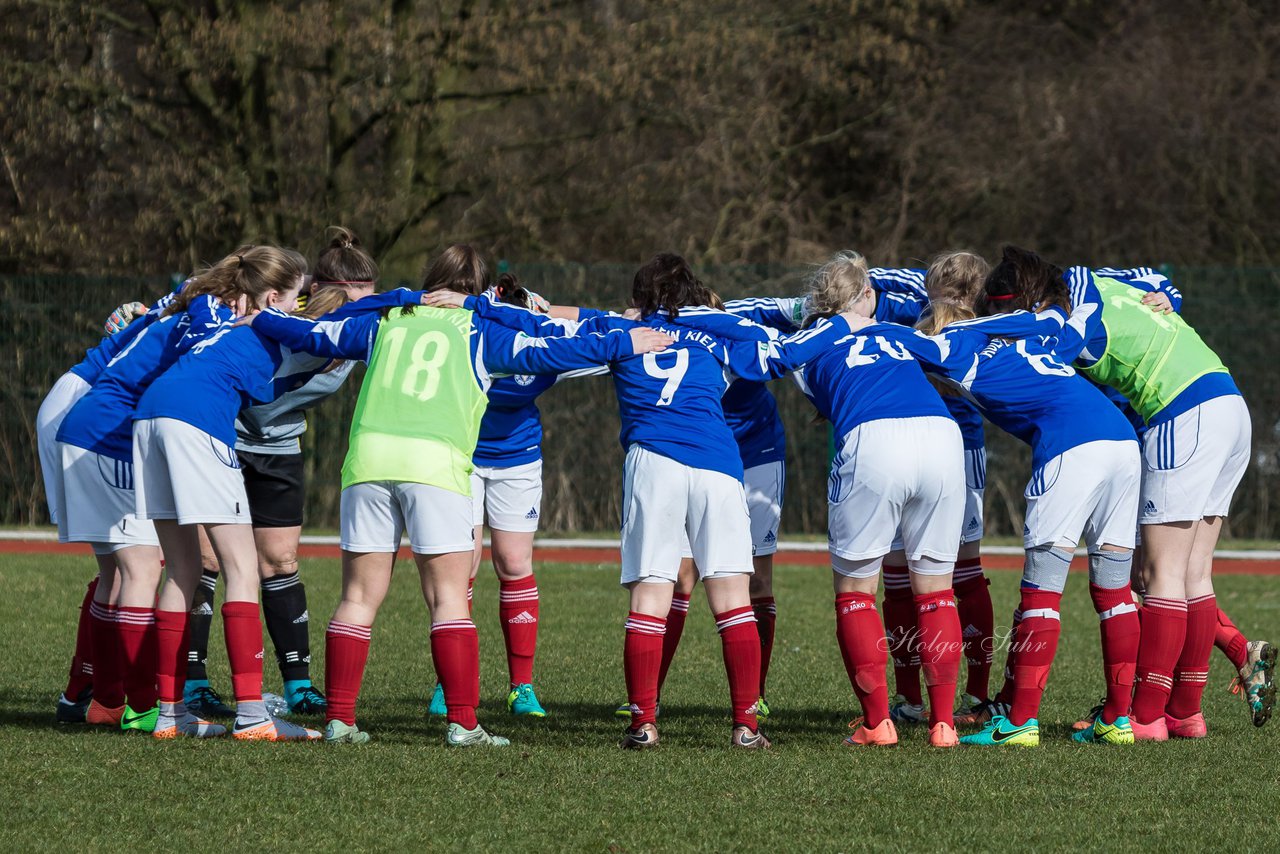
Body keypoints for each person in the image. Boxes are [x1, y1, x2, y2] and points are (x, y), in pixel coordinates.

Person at [244, 244, 672, 746]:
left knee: (358, 597)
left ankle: (340, 719)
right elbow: (552, 352)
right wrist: (624, 344)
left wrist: (259, 316)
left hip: (368, 463)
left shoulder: (386, 320)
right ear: (480, 291)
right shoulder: (482, 329)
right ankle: (464, 724)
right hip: (434, 468)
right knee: (449, 599)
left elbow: (310, 330)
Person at [449, 252, 858, 749]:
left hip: (654, 462)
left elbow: (553, 326)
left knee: (650, 596)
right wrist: (843, 324)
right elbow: (782, 354)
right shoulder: (720, 330)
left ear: (640, 298)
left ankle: (644, 723)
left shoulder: (624, 331)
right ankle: (747, 728)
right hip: (718, 463)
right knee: (732, 598)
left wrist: (471, 306)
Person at [997, 246, 1254, 740]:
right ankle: (1184, 714)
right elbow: (1151, 276)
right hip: (1228, 403)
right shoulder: (1098, 280)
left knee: (1162, 575)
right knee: (1195, 575)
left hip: (1182, 413)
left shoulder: (1067, 321)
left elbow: (1040, 360)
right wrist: (1168, 294)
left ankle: (1148, 716)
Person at [889, 252, 1143, 746]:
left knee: (1041, 594)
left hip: (1073, 449)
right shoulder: (1040, 335)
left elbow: (900, 343)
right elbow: (1071, 318)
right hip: (1122, 444)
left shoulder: (952, 347)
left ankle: (1020, 723)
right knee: (1113, 592)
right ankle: (1118, 719)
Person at [131, 245, 335, 740]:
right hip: (195, 422)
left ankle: (169, 714)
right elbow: (285, 377)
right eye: (292, 302)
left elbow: (189, 298)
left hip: (150, 416)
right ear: (269, 298)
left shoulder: (213, 311)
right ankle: (252, 716)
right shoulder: (268, 328)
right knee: (242, 569)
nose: (295, 312)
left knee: (181, 570)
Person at [183, 227, 383, 719]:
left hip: (279, 447)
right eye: (345, 298)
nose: (356, 311)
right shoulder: (275, 313)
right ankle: (193, 683)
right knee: (206, 559)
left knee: (281, 560)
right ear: (315, 287)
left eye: (366, 302)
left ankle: (297, 683)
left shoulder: (360, 335)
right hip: (221, 437)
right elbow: (207, 299)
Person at [783, 252, 967, 749]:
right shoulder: (900, 333)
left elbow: (811, 382)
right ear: (867, 297)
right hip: (941, 436)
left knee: (856, 591)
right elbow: (954, 355)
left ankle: (877, 722)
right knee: (936, 591)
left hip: (873, 439)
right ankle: (943, 723)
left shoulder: (809, 340)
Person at [860, 258, 996, 725]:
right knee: (964, 572)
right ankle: (976, 697)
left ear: (931, 282)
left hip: (904, 441)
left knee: (899, 576)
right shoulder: (993, 324)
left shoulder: (910, 311)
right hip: (964, 448)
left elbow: (869, 275)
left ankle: (909, 698)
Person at [39, 291, 178, 723]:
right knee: (140, 567)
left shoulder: (176, 310)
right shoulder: (196, 318)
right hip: (92, 419)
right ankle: (137, 704)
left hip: (76, 409)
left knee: (115, 570)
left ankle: (101, 696)